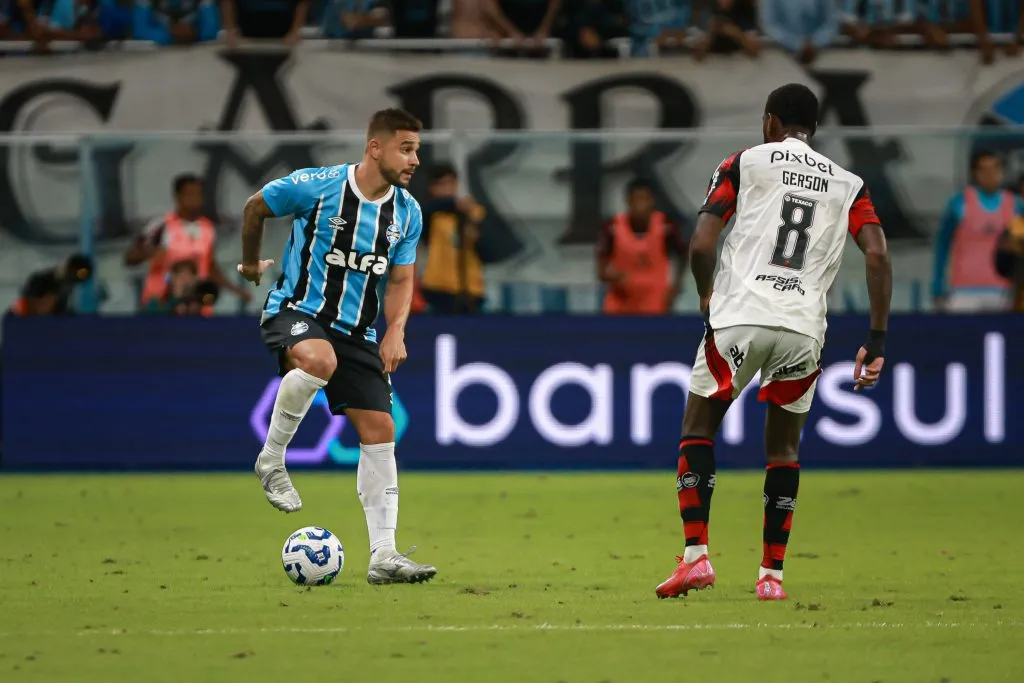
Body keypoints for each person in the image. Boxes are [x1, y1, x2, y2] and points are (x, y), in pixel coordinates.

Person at [654, 83, 891, 601]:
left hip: (740, 315)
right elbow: (876, 253)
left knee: (698, 428)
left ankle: (696, 557)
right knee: (784, 449)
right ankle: (771, 576)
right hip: (803, 328)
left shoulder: (744, 162)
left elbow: (702, 242)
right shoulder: (849, 184)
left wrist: (706, 294)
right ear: (814, 128)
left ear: (769, 122)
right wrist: (876, 339)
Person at [237, 108, 436, 586]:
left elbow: (401, 278)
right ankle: (271, 458)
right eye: (406, 149)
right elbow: (255, 206)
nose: (415, 160)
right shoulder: (319, 186)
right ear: (375, 147)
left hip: (358, 332)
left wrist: (396, 330)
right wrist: (249, 263)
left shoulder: (407, 212)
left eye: (417, 151)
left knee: (381, 428)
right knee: (318, 359)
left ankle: (383, 555)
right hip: (297, 311)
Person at [125, 173, 249, 311]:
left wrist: (235, 290)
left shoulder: (208, 229)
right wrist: (149, 252)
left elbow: (210, 266)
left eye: (198, 194)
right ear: (178, 197)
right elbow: (131, 258)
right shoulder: (161, 226)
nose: (195, 199)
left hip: (197, 306)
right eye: (190, 194)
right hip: (162, 306)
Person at [932, 151, 1022, 313]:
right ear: (974, 173)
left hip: (1003, 292)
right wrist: (938, 286)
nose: (990, 174)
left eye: (995, 169)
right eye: (984, 170)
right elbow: (942, 246)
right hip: (964, 291)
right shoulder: (959, 203)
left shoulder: (1016, 205)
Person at [598, 178, 687, 315]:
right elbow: (601, 268)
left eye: (645, 200)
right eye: (637, 200)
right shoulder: (612, 227)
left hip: (655, 303)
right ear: (628, 201)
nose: (641, 206)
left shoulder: (666, 226)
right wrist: (611, 276)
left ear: (652, 201)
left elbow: (683, 255)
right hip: (620, 304)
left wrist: (676, 286)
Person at [418, 163, 488, 315]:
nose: (446, 189)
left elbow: (486, 248)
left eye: (449, 183)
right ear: (432, 188)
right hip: (437, 287)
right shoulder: (430, 214)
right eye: (440, 185)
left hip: (470, 288)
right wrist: (455, 205)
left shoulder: (474, 212)